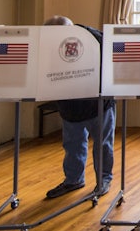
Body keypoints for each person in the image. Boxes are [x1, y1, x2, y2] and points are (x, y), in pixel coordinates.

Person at [43, 15, 116, 199]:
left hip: (98, 102)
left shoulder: (95, 38)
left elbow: (114, 61)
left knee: (103, 144)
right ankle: (73, 180)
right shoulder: (47, 42)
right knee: (73, 145)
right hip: (70, 103)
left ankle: (103, 180)